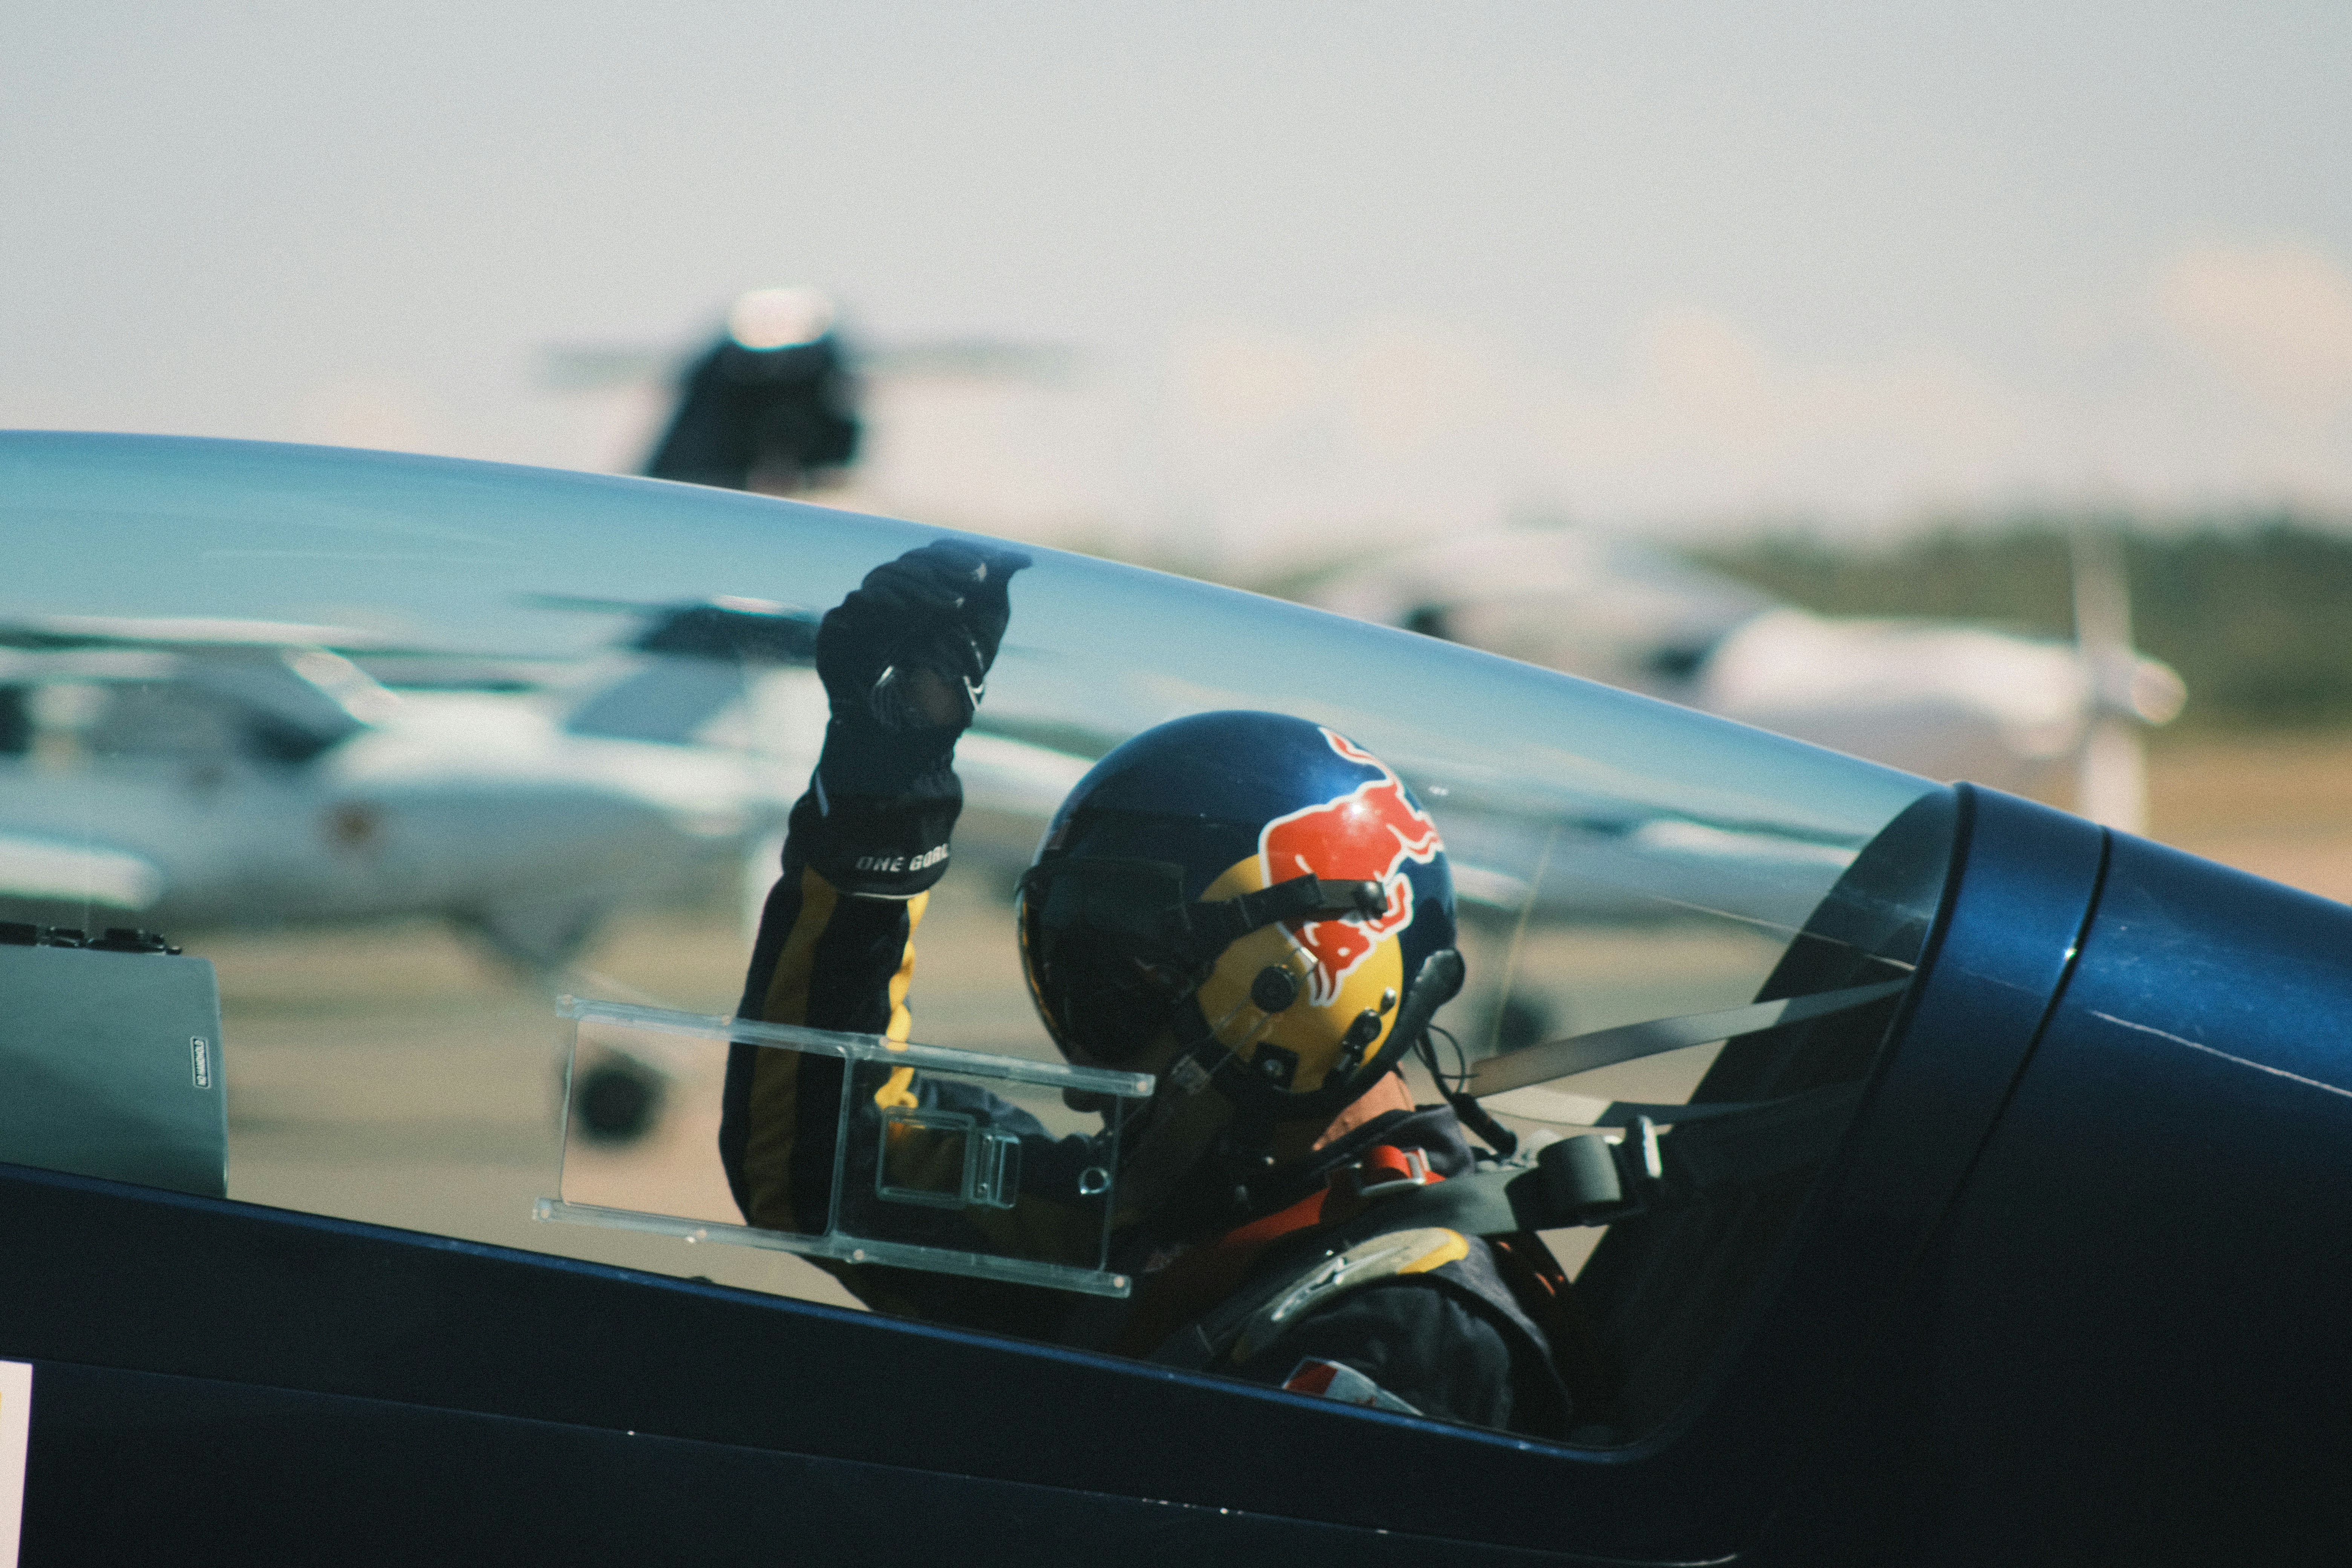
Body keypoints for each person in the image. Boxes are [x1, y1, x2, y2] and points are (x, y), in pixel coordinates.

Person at [719, 541, 1608, 1436]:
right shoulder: (1185, 1213)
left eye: (1118, 990)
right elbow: (824, 1172)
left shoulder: (1406, 1332)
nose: (1083, 1068)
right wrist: (883, 804)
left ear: (1295, 987)